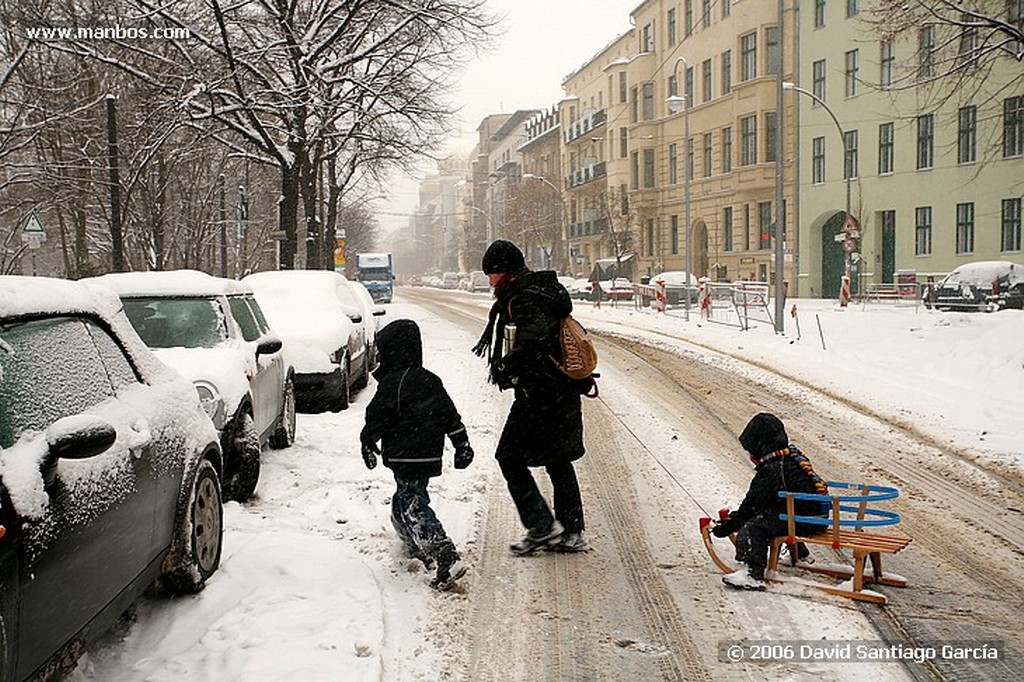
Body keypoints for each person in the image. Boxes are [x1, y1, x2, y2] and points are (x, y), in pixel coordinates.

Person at [472, 239, 590, 555]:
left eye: (493, 273)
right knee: (557, 458)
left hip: (540, 393)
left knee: (508, 456)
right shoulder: (539, 291)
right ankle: (571, 530)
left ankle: (542, 526)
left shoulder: (524, 299)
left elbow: (533, 342)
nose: (490, 281)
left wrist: (504, 365)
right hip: (558, 390)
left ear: (506, 272)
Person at [360, 319, 475, 590]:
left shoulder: (392, 383)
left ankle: (444, 555)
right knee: (403, 501)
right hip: (427, 454)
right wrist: (462, 443)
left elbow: (376, 418)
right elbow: (449, 414)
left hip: (404, 455)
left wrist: (367, 441)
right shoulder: (430, 380)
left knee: (412, 503)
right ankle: (413, 548)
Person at [712, 413, 829, 590]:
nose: (750, 455)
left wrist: (730, 526)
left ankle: (753, 573)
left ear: (761, 447)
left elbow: (751, 506)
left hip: (804, 521)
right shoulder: (791, 457)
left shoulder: (773, 469)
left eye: (751, 450)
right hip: (817, 517)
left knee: (755, 526)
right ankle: (801, 555)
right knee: (777, 513)